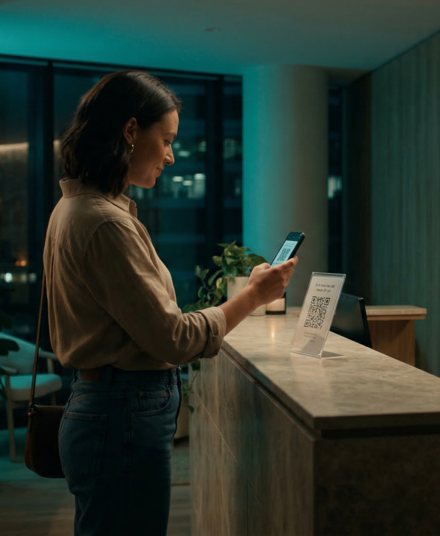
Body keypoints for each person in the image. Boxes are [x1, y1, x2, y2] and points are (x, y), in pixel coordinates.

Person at [44, 70, 297, 535]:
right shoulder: (105, 222)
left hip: (108, 409)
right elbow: (174, 339)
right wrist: (253, 296)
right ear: (130, 132)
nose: (171, 155)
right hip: (122, 415)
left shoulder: (75, 208)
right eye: (165, 139)